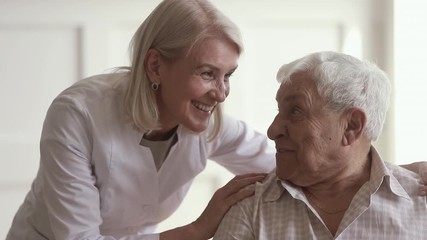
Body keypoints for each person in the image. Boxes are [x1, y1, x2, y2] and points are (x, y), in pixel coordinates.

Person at [6, 0, 274, 239]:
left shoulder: (209, 123)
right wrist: (196, 230)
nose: (221, 93)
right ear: (155, 66)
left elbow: (286, 166)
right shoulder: (77, 114)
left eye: (227, 76)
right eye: (206, 73)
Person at [213, 51, 427, 240]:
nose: (272, 130)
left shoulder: (422, 202)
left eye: (296, 111)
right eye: (279, 111)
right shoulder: (250, 206)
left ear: (351, 126)